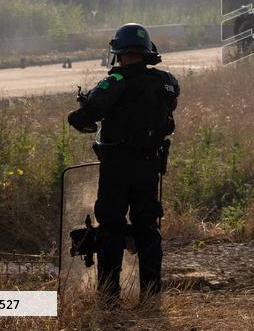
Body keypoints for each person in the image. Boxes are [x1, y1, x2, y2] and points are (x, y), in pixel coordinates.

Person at [67, 23, 179, 305]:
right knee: (148, 228)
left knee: (111, 228)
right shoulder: (166, 81)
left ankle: (108, 298)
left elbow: (85, 115)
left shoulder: (113, 81)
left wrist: (78, 115)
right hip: (149, 167)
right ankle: (152, 296)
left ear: (118, 52)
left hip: (117, 168)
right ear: (147, 51)